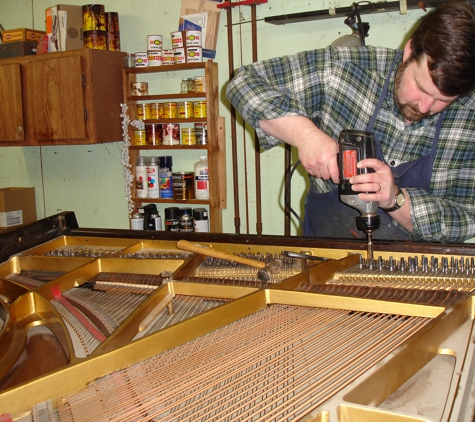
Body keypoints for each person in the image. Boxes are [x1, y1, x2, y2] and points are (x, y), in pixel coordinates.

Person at [226, 1, 475, 243]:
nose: (424, 107)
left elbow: (467, 218)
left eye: (442, 100)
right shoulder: (345, 70)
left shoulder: (470, 115)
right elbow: (244, 82)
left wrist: (397, 200)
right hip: (326, 258)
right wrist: (305, 135)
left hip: (416, 276)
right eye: (420, 88)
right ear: (409, 52)